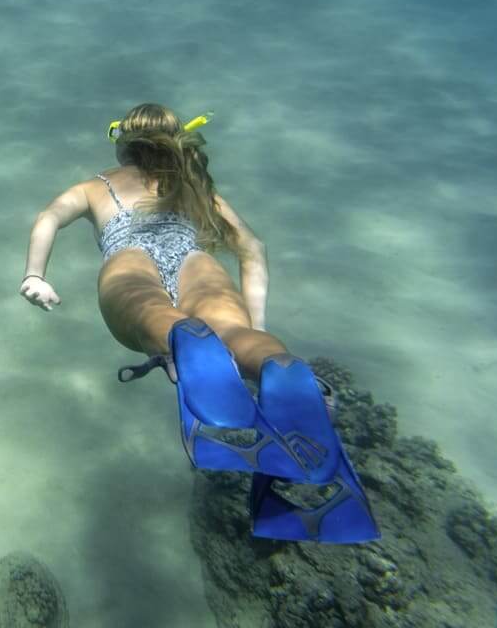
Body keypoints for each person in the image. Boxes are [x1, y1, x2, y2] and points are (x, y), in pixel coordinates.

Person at [19, 104, 378, 543]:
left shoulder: (98, 186)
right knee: (237, 336)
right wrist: (259, 327)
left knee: (157, 317)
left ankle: (178, 342)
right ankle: (276, 363)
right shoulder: (196, 189)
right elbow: (253, 249)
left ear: (122, 142)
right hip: (195, 261)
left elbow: (48, 216)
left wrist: (35, 275)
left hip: (128, 260)